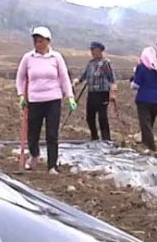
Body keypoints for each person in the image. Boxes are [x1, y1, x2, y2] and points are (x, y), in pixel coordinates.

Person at [15, 26, 76, 174]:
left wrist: (70, 96)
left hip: (53, 100)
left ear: (48, 41)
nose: (37, 43)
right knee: (33, 133)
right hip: (35, 99)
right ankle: (34, 155)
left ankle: (52, 165)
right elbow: (20, 77)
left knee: (52, 134)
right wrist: (21, 94)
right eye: (35, 40)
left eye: (41, 40)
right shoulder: (28, 58)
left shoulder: (56, 57)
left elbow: (64, 77)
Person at [77, 41, 117, 141]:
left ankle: (106, 139)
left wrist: (113, 93)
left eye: (93, 49)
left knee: (102, 117)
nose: (91, 52)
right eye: (91, 50)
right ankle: (94, 137)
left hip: (103, 93)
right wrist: (76, 81)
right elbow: (83, 76)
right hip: (92, 93)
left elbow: (112, 79)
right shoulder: (90, 63)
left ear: (99, 50)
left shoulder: (106, 63)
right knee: (89, 117)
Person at [131, 47, 157, 152]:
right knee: (149, 124)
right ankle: (146, 144)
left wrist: (133, 80)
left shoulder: (141, 67)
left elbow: (135, 85)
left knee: (145, 124)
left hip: (144, 99)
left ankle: (151, 147)